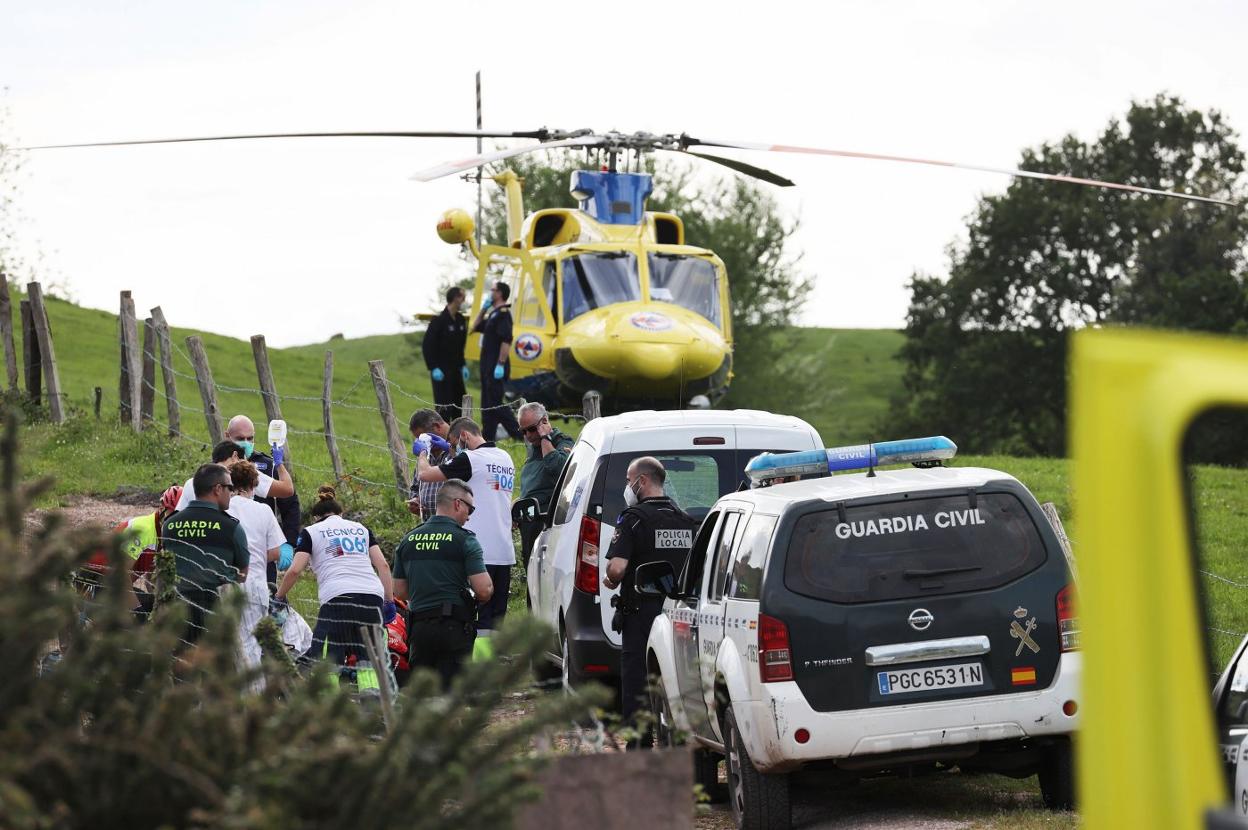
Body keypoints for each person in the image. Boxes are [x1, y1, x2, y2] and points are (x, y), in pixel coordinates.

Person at [602, 457, 698, 748]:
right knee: (677, 681)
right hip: (678, 614)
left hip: (642, 614)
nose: (626, 486)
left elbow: (617, 568)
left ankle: (639, 751)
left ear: (642, 481)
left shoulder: (633, 519)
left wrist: (610, 579)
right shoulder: (685, 519)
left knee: (637, 686)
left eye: (628, 479)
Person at [273, 486, 395, 694]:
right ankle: (373, 707)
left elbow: (294, 571)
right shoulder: (361, 529)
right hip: (371, 596)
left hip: (337, 597)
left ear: (315, 517)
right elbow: (382, 565)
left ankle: (329, 708)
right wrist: (389, 600)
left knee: (328, 658)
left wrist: (279, 596)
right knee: (369, 657)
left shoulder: (311, 532)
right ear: (341, 514)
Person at [415, 416, 515, 657]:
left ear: (464, 437)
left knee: (472, 615)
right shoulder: (505, 458)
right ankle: (492, 669)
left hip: (477, 551)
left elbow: (425, 475)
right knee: (495, 618)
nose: (456, 449)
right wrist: (449, 449)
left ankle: (473, 671)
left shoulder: (471, 458)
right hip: (504, 550)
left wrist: (423, 452)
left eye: (455, 443)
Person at [392, 479, 493, 689]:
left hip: (419, 630)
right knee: (453, 698)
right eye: (470, 508)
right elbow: (483, 590)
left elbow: (399, 592)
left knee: (424, 698)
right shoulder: (465, 540)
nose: (469, 515)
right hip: (454, 629)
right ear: (457, 504)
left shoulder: (408, 540)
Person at [163, 464, 251, 644]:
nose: (232, 493)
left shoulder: (170, 525)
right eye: (230, 488)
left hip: (177, 608)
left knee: (180, 665)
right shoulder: (231, 527)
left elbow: (166, 564)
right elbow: (243, 573)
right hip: (215, 610)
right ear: (218, 489)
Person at [224, 415, 300, 589]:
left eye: (250, 438)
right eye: (240, 439)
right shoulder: (218, 467)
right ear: (227, 436)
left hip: (262, 549)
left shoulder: (266, 465)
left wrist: (289, 542)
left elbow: (290, 502)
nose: (246, 442)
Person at [226, 461, 286, 675]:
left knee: (226, 643)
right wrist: (255, 556)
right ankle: (253, 696)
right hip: (255, 582)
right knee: (252, 646)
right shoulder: (264, 510)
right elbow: (276, 552)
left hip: (226, 581)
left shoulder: (222, 507)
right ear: (254, 484)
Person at [516, 402, 574, 569]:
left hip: (546, 523)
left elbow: (557, 467)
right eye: (523, 431)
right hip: (528, 521)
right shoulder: (533, 448)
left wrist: (544, 437)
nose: (528, 435)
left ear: (544, 422)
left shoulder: (561, 442)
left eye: (532, 429)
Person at [174, 440, 294, 512]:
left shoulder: (191, 483)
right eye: (244, 461)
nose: (245, 465)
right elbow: (287, 489)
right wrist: (279, 463)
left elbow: (175, 518)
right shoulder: (245, 476)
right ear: (235, 456)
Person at [472, 280, 521, 441]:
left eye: (492, 290)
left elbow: (506, 341)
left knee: (495, 403)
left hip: (495, 367)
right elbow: (474, 327)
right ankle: (487, 440)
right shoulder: (493, 314)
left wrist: (500, 364)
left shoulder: (504, 314)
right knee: (487, 406)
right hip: (487, 367)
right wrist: (484, 309)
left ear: (499, 293)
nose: (490, 293)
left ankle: (520, 434)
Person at [423, 286, 470, 422]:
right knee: (444, 406)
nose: (464, 300)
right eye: (462, 297)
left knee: (459, 405)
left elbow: (460, 346)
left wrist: (463, 365)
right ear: (455, 298)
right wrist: (433, 367)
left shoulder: (461, 320)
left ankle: (458, 437)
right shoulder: (438, 321)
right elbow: (427, 346)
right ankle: (443, 439)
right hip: (441, 371)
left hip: (456, 370)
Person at [407, 408, 453, 522]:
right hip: (429, 525)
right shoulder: (425, 455)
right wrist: (415, 500)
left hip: (453, 526)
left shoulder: (461, 448)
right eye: (419, 440)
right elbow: (415, 487)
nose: (423, 444)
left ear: (437, 426)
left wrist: (452, 449)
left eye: (425, 439)